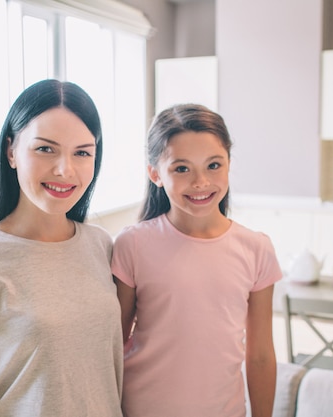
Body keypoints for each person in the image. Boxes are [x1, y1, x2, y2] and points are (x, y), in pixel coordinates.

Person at [0, 79, 123, 417]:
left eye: (82, 153)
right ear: (11, 151)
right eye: (45, 148)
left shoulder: (100, 244)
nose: (65, 170)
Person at [112, 104, 282, 417]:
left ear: (229, 162)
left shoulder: (257, 249)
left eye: (213, 165)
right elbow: (112, 347)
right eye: (182, 168)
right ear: (155, 174)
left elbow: (259, 356)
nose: (201, 181)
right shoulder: (132, 245)